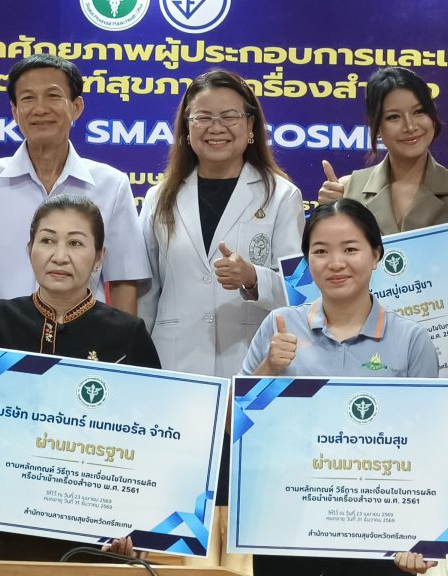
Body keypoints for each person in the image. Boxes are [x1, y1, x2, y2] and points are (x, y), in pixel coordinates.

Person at [0, 193, 158, 562]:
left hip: (95, 532)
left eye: (76, 243)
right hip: (4, 522)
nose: (59, 256)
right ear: (29, 249)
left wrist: (136, 526)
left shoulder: (127, 335)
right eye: (47, 240)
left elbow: (150, 442)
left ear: (99, 257)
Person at [137, 68, 303, 575]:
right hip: (176, 371)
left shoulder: (280, 195)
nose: (216, 127)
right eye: (202, 117)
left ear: (251, 127)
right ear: (186, 128)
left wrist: (254, 278)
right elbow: (147, 292)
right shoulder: (160, 196)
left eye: (230, 116)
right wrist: (142, 369)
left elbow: (301, 294)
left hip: (250, 369)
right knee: (176, 510)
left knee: (241, 510)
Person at [241, 199, 440, 576]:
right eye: (320, 251)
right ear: (306, 260)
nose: (335, 263)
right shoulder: (279, 325)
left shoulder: (410, 339)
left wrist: (422, 535)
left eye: (350, 249)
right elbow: (238, 427)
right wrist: (268, 368)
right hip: (287, 525)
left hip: (380, 530)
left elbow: (430, 445)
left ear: (376, 254)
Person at [0, 54, 149, 317]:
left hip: (82, 337)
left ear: (76, 107)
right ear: (15, 112)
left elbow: (123, 280)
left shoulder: (111, 185)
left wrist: (123, 339)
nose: (40, 109)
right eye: (28, 98)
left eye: (53, 96)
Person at [318, 67, 448, 233]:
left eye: (419, 111)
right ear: (376, 126)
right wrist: (328, 215)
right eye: (394, 117)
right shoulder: (347, 192)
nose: (410, 126)